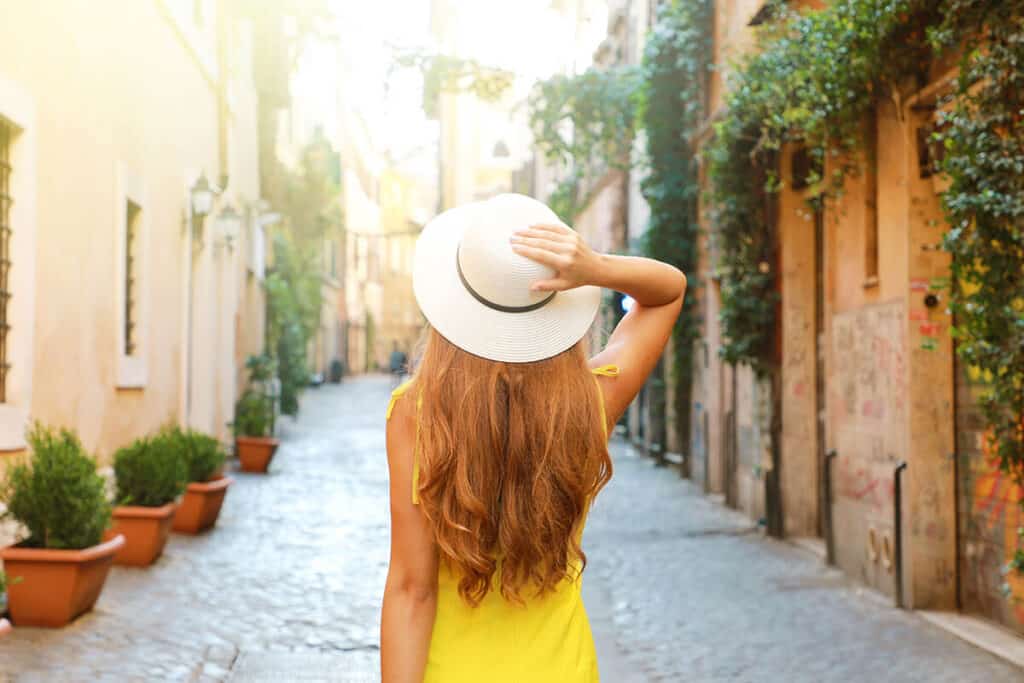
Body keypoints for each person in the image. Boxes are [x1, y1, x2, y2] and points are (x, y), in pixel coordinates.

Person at [381, 193, 686, 682]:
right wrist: (596, 267)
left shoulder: (415, 414)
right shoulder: (589, 402)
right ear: (556, 309)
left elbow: (411, 589)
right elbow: (669, 290)